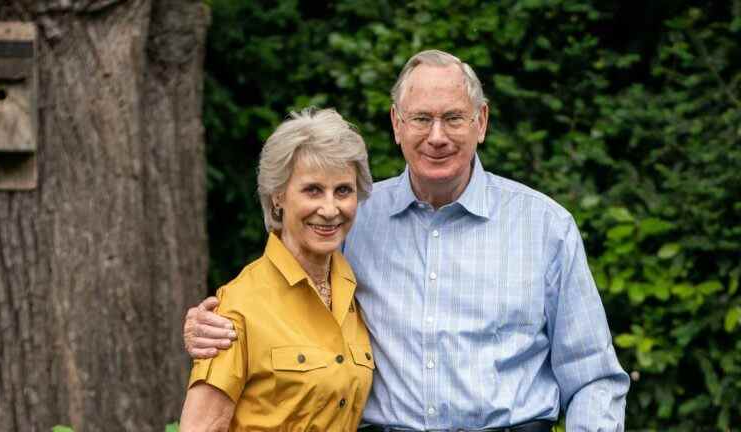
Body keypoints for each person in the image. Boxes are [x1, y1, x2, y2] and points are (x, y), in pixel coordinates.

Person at [184, 50, 630, 431]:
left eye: (453, 118)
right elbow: (280, 301)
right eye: (421, 118)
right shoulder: (352, 222)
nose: (436, 136)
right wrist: (213, 326)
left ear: (482, 121)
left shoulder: (545, 227)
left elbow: (593, 379)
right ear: (397, 124)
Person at [179, 107, 375, 431]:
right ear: (278, 198)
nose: (330, 209)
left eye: (343, 190)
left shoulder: (356, 292)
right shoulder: (238, 306)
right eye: (312, 190)